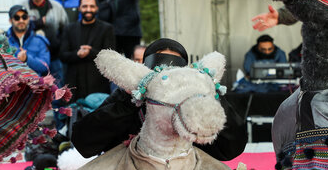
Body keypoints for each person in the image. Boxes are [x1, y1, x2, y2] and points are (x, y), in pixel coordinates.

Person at [71, 38, 248, 160]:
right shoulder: (126, 97)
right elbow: (84, 142)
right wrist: (129, 100)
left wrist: (210, 93)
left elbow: (232, 147)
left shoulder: (194, 103)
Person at [59, 0, 115, 101]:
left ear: (97, 8)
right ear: (79, 8)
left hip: (98, 85)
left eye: (92, 6)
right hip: (74, 86)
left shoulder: (107, 29)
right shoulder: (69, 29)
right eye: (85, 6)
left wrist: (91, 52)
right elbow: (62, 55)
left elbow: (110, 57)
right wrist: (77, 54)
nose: (88, 9)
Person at [21, 0, 69, 85]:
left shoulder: (57, 7)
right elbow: (17, 29)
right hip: (31, 60)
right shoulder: (22, 8)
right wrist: (38, 23)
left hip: (54, 59)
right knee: (34, 92)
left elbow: (66, 31)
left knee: (57, 92)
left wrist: (59, 47)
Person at [5, 5, 50, 76]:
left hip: (35, 84)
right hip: (9, 84)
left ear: (28, 18)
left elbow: (45, 66)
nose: (21, 20)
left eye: (24, 17)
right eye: (17, 18)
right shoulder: (3, 41)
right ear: (10, 20)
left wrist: (27, 59)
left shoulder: (40, 40)